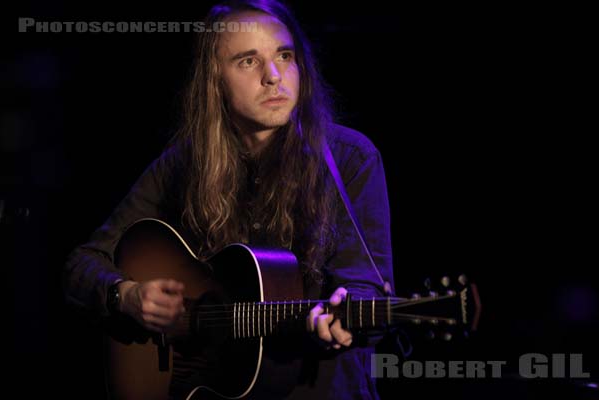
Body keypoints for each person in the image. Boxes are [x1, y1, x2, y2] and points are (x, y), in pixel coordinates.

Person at [63, 0, 394, 399]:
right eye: (248, 62)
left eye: (285, 56)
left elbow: (366, 286)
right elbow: (81, 265)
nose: (274, 77)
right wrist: (126, 296)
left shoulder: (350, 158)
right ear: (215, 80)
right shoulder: (182, 166)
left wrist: (348, 313)